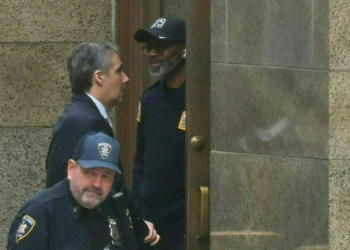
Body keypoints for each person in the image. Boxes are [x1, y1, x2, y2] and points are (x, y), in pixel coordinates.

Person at [7, 132, 149, 249]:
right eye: (89, 173)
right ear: (71, 169)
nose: (97, 184)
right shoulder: (42, 213)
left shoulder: (117, 206)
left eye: (106, 176)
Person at [132, 16, 187, 250]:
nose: (153, 53)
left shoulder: (198, 100)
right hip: (149, 225)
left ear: (184, 49)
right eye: (149, 48)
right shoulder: (150, 98)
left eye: (162, 47)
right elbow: (140, 163)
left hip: (183, 226)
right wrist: (137, 212)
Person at [45, 41, 129, 189]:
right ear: (99, 77)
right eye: (118, 71)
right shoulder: (83, 121)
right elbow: (61, 186)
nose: (125, 78)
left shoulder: (83, 114)